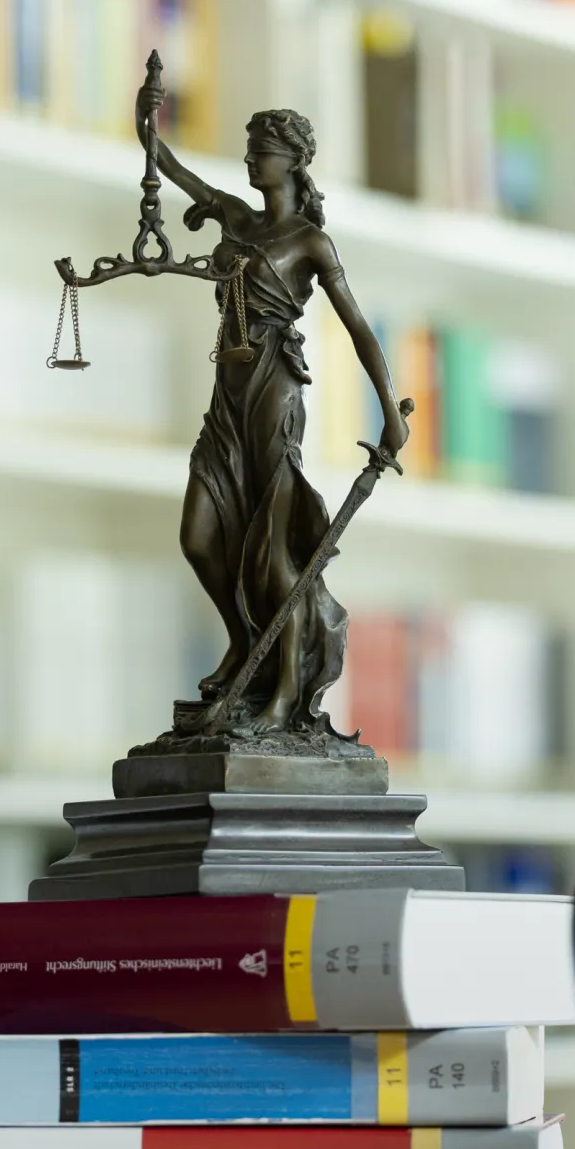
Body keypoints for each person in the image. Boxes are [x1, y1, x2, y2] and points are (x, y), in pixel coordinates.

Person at [135, 83, 409, 734]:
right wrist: (147, 120)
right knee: (200, 534)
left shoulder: (310, 242)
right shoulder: (238, 216)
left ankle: (286, 690)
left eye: (261, 153)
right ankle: (243, 641)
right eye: (250, 152)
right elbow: (170, 168)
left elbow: (359, 328)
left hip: (274, 393)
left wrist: (390, 414)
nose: (251, 163)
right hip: (227, 396)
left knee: (273, 549)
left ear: (291, 160)